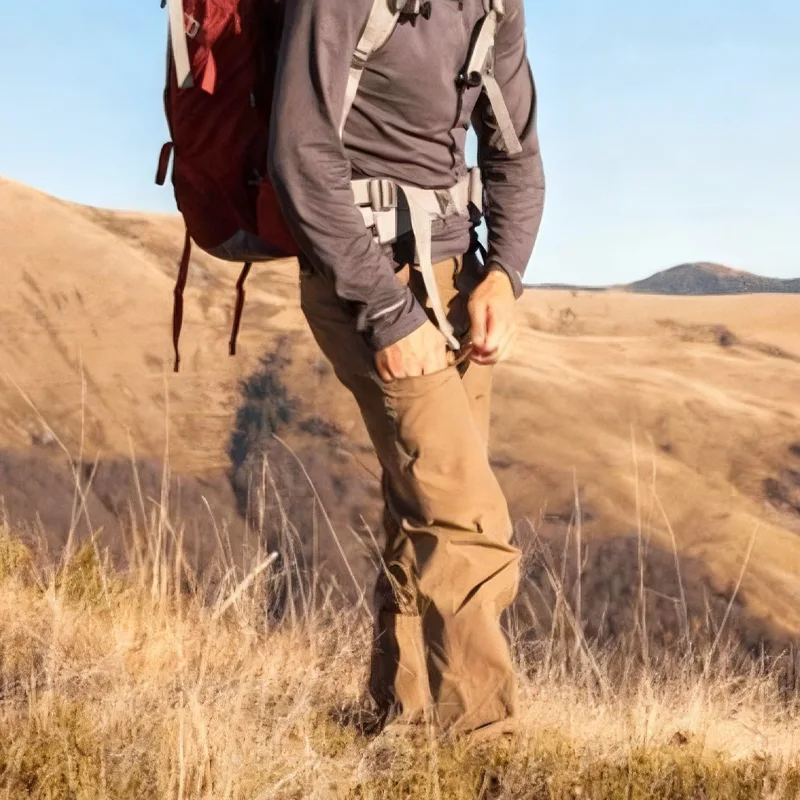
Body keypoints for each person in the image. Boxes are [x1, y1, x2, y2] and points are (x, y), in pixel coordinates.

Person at [269, 0, 545, 741]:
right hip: (365, 276)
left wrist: (504, 276)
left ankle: (401, 722)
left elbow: (516, 154)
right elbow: (298, 152)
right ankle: (483, 751)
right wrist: (388, 313)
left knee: (421, 509)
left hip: (457, 276)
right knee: (465, 516)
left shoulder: (494, 4)